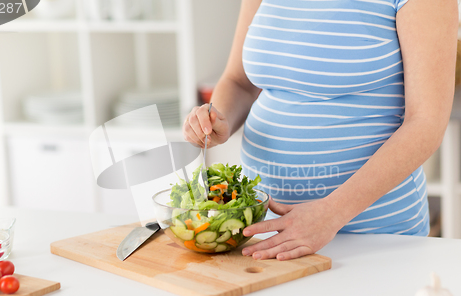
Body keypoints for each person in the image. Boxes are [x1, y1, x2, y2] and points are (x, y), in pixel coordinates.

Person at [183, 0, 458, 260]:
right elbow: (239, 82)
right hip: (266, 229)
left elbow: (426, 123)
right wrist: (218, 120)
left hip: (373, 236)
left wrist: (331, 214)